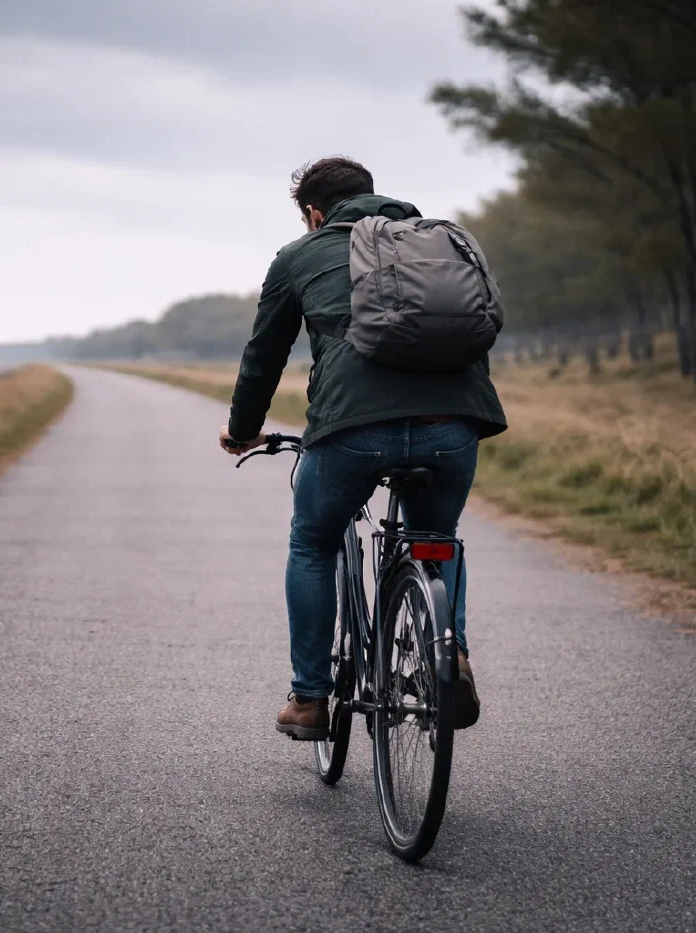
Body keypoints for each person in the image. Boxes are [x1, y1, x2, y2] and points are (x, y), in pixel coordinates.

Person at [218, 156, 507, 738]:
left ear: (314, 213)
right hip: (452, 425)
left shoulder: (300, 255)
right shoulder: (440, 245)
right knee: (436, 538)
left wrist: (243, 427)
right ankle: (450, 655)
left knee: (313, 542)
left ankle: (309, 700)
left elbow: (264, 355)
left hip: (353, 430)